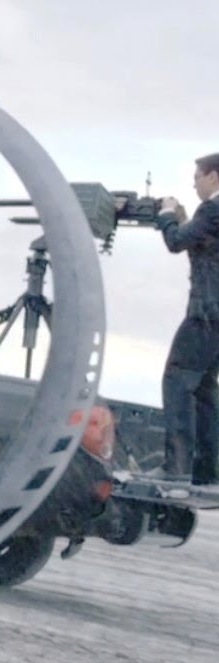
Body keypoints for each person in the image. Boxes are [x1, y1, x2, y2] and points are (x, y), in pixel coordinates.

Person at [158, 152, 219, 484]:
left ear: (213, 177)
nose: (194, 184)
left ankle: (177, 467)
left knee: (177, 380)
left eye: (197, 177)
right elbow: (205, 247)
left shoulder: (212, 209)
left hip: (205, 315)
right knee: (204, 390)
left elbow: (176, 242)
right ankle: (207, 471)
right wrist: (183, 220)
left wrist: (167, 214)